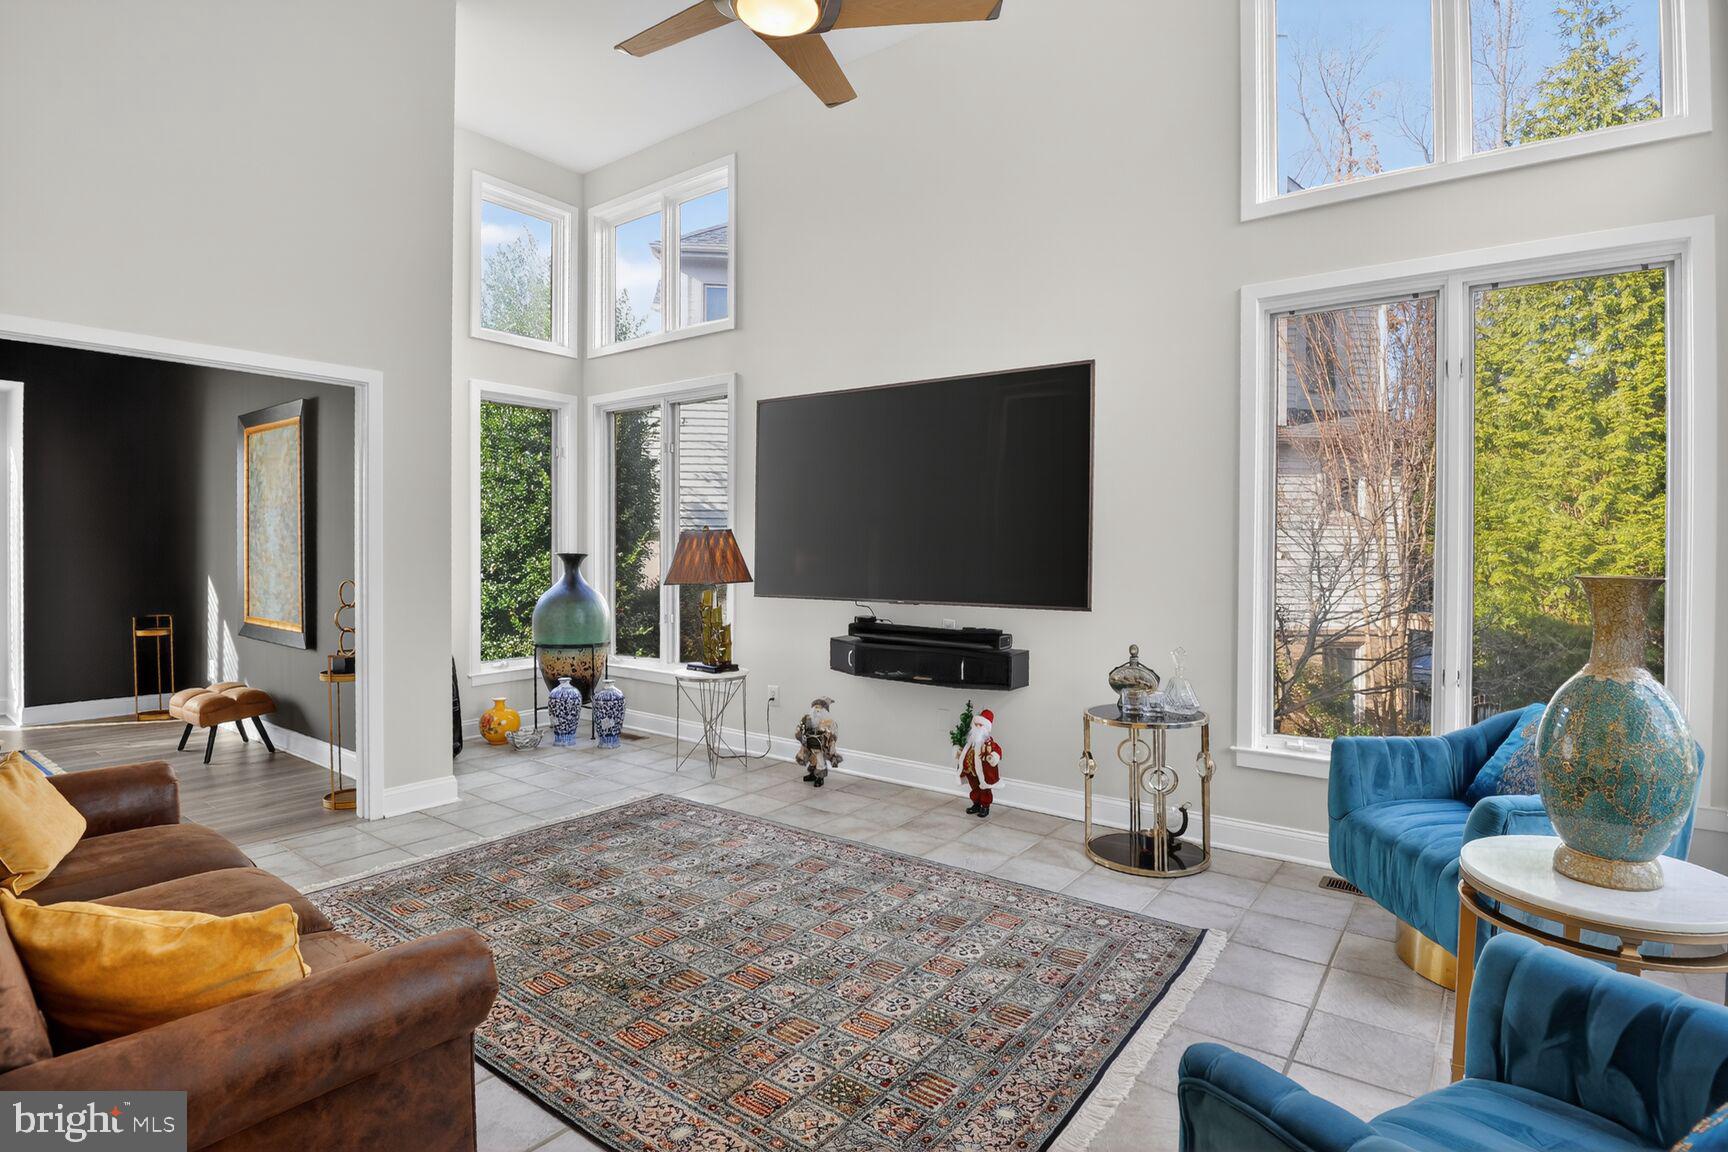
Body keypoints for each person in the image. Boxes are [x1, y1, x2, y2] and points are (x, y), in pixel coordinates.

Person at [955, 708, 1002, 817]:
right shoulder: (970, 741)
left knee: (984, 788)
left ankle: (985, 806)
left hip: (983, 772)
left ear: (986, 727)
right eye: (976, 724)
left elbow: (997, 750)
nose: (978, 727)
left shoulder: (988, 743)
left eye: (981, 725)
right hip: (970, 770)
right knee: (974, 787)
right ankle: (976, 804)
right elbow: (964, 750)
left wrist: (993, 757)